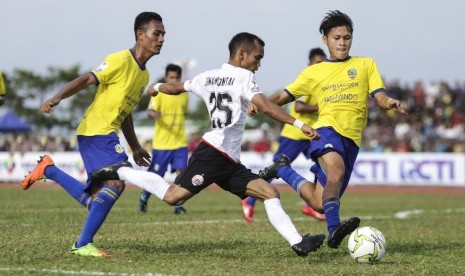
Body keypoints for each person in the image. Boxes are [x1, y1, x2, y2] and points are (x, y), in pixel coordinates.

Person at [92, 32, 326, 257]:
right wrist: (298, 124)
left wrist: (156, 88)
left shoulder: (207, 76)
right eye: (258, 57)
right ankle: (120, 170)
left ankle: (298, 242)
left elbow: (177, 87)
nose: (259, 63)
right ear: (242, 54)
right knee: (174, 197)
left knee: (269, 192)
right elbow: (265, 106)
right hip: (213, 154)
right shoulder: (244, 77)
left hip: (229, 161)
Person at [249, 10, 407, 249]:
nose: (342, 42)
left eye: (346, 37)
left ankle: (282, 169)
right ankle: (334, 230)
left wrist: (389, 102)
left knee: (319, 202)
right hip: (327, 131)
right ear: (325, 39)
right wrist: (259, 103)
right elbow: (284, 95)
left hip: (352, 139)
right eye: (336, 38)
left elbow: (380, 96)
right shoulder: (315, 71)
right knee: (335, 171)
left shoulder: (365, 64)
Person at [22, 11, 165, 257]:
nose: (161, 39)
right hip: (96, 132)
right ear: (140, 35)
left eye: (163, 34)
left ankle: (48, 169)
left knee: (97, 198)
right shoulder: (120, 59)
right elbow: (88, 79)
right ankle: (82, 244)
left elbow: (126, 113)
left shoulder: (144, 76)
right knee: (116, 182)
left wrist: (135, 146)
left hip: (106, 134)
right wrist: (57, 97)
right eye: (157, 33)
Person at [241, 47, 327, 224]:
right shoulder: (309, 79)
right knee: (275, 168)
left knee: (323, 164)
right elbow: (299, 107)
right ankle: (248, 199)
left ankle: (311, 205)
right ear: (309, 64)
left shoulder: (322, 81)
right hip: (295, 134)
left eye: (323, 62)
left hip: (311, 134)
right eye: (318, 62)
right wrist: (321, 107)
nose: (321, 65)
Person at [138, 64, 188, 215]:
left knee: (182, 173)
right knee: (156, 176)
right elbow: (150, 111)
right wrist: (154, 115)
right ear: (166, 78)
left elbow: (184, 113)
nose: (174, 80)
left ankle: (178, 206)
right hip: (162, 144)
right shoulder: (158, 93)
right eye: (171, 77)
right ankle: (144, 197)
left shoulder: (184, 94)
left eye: (177, 78)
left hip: (180, 142)